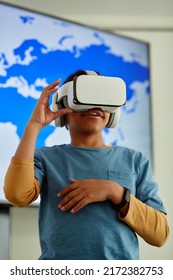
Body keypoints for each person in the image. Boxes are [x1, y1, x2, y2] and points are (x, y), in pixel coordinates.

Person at [4, 70, 169, 260]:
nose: (95, 105)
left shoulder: (134, 161)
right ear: (62, 107)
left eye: (102, 96)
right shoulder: (45, 158)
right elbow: (17, 195)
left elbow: (160, 234)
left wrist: (114, 192)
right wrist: (34, 125)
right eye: (84, 97)